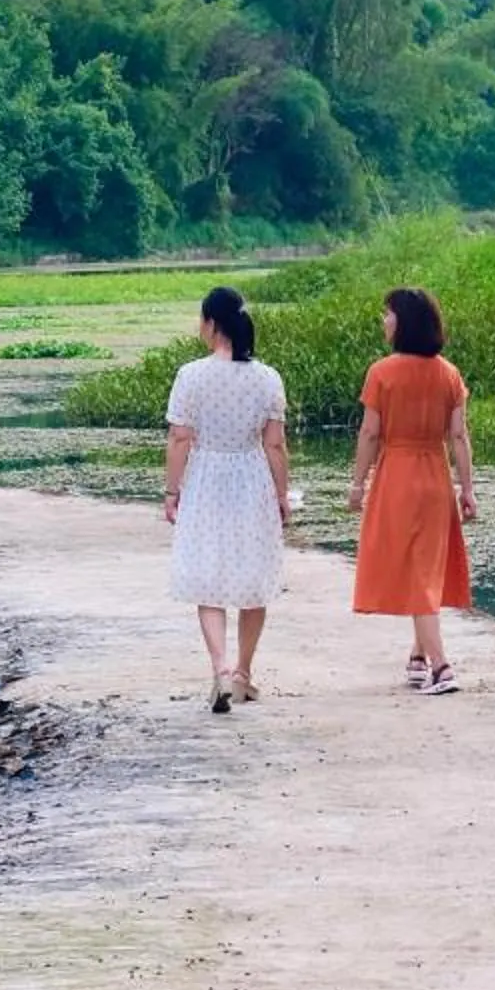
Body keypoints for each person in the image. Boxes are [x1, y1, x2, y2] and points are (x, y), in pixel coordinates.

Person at [162, 284, 291, 713]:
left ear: (211, 323)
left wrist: (171, 490)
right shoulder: (267, 377)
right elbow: (275, 445)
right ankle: (243, 674)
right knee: (254, 576)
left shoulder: (191, 375)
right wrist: (281, 494)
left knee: (208, 574)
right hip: (250, 475)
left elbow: (180, 437)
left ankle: (219, 668)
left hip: (206, 477)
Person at [348, 283, 477, 694]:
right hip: (435, 475)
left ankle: (442, 667)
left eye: (388, 314)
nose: (384, 322)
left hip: (398, 474)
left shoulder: (381, 372)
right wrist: (467, 488)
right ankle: (418, 657)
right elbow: (459, 436)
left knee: (418, 573)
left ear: (403, 323)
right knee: (427, 568)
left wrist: (357, 483)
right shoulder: (449, 374)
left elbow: (370, 433)